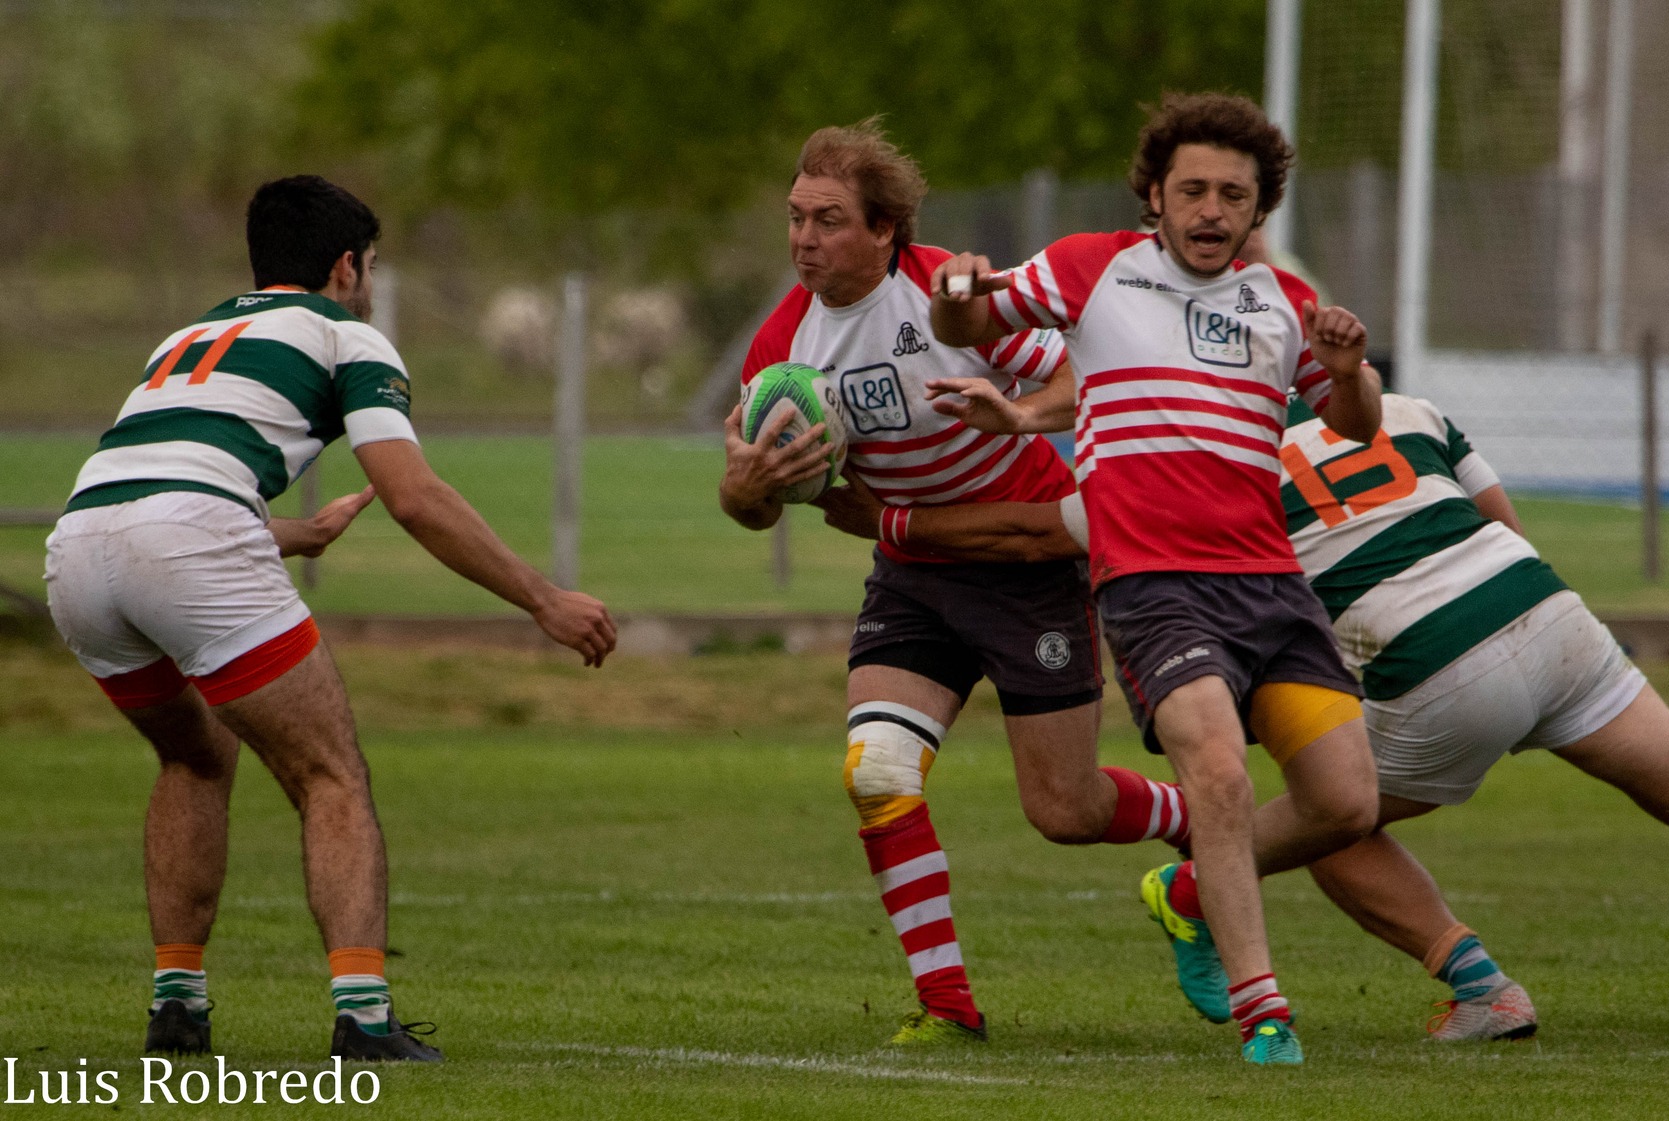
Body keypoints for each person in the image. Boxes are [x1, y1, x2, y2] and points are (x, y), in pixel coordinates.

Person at [820, 389, 1669, 1045]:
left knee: (1331, 809)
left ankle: (1458, 976)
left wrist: (895, 525)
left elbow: (1039, 533)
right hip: (1548, 616)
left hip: (1433, 659)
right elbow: (1500, 516)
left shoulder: (1199, 460)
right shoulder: (1410, 405)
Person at [42, 175, 618, 1062]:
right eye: (374, 266)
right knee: (328, 773)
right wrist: (545, 598)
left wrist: (288, 531)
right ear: (347, 266)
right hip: (189, 540)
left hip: (78, 549)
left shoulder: (187, 334)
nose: (374, 284)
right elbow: (414, 497)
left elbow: (155, 487)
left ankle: (177, 1008)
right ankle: (363, 1015)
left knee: (195, 754)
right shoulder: (346, 333)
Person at [924, 93, 1385, 1065]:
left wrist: (1348, 369)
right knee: (1214, 771)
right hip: (1149, 580)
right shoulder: (1093, 268)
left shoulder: (1283, 302)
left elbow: (1350, 425)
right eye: (1192, 191)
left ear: (1257, 211)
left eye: (1232, 194)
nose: (1211, 210)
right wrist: (957, 291)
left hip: (1268, 581)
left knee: (1346, 801)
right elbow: (969, 312)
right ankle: (1265, 1009)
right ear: (1154, 196)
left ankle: (1185, 894)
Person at [717, 121, 1198, 1048]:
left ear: (886, 228)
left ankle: (1193, 817)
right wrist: (744, 490)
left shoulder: (952, 300)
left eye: (827, 220)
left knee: (1066, 810)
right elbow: (755, 505)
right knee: (878, 771)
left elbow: (1076, 383)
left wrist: (1017, 417)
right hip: (913, 579)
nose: (804, 240)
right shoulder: (783, 349)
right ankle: (947, 1005)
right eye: (794, 218)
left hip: (1027, 559)